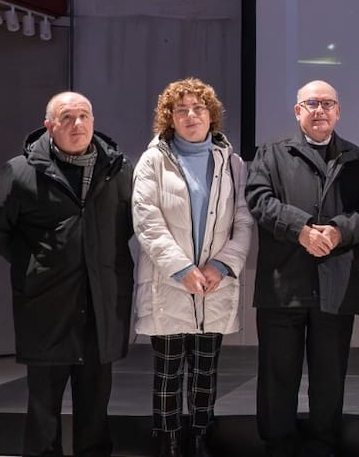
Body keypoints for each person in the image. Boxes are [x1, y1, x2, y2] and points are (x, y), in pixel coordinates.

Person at [0, 91, 135, 457]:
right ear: (49, 125)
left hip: (101, 305)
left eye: (84, 116)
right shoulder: (20, 171)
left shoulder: (119, 171)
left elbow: (127, 226)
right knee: (43, 409)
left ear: (94, 121)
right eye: (67, 118)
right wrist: (36, 263)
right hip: (46, 307)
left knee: (96, 407)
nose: (77, 124)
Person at [246, 80, 359, 457]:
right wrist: (301, 230)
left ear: (338, 111)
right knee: (278, 373)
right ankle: (278, 441)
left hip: (335, 282)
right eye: (312, 103)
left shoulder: (358, 160)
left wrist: (339, 232)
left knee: (329, 374)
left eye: (328, 104)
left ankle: (324, 439)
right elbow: (259, 200)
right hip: (283, 281)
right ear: (298, 111)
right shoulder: (271, 154)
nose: (320, 110)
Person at [131, 78, 254, 457]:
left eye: (198, 108)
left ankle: (200, 436)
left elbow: (243, 221)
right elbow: (147, 221)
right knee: (168, 372)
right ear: (169, 117)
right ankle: (168, 440)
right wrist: (182, 268)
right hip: (169, 281)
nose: (190, 116)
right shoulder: (153, 160)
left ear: (211, 115)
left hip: (214, 282)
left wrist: (222, 264)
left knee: (205, 371)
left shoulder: (232, 163)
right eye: (180, 109)